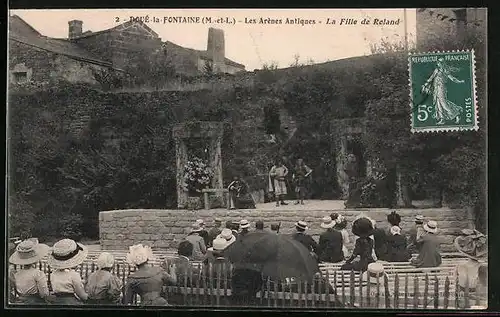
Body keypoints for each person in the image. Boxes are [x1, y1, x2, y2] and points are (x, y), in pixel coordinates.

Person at [421, 57, 464, 125]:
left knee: (443, 103)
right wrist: (425, 84)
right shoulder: (436, 70)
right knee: (438, 104)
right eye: (438, 62)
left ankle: (456, 114)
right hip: (436, 88)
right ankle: (442, 119)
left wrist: (459, 81)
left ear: (442, 63)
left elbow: (452, 78)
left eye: (440, 62)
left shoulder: (445, 70)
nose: (438, 63)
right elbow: (431, 78)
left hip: (442, 88)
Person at [9, 238, 52, 304]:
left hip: (20, 300)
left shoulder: (15, 273)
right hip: (34, 301)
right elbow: (44, 293)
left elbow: (11, 287)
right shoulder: (38, 273)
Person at [48, 239, 89, 305]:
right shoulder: (74, 275)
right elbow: (81, 294)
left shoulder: (53, 274)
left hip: (57, 303)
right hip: (71, 304)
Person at [454, 229, 487, 302]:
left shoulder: (459, 265)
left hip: (463, 293)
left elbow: (455, 282)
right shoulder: (482, 267)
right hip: (475, 294)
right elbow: (484, 284)